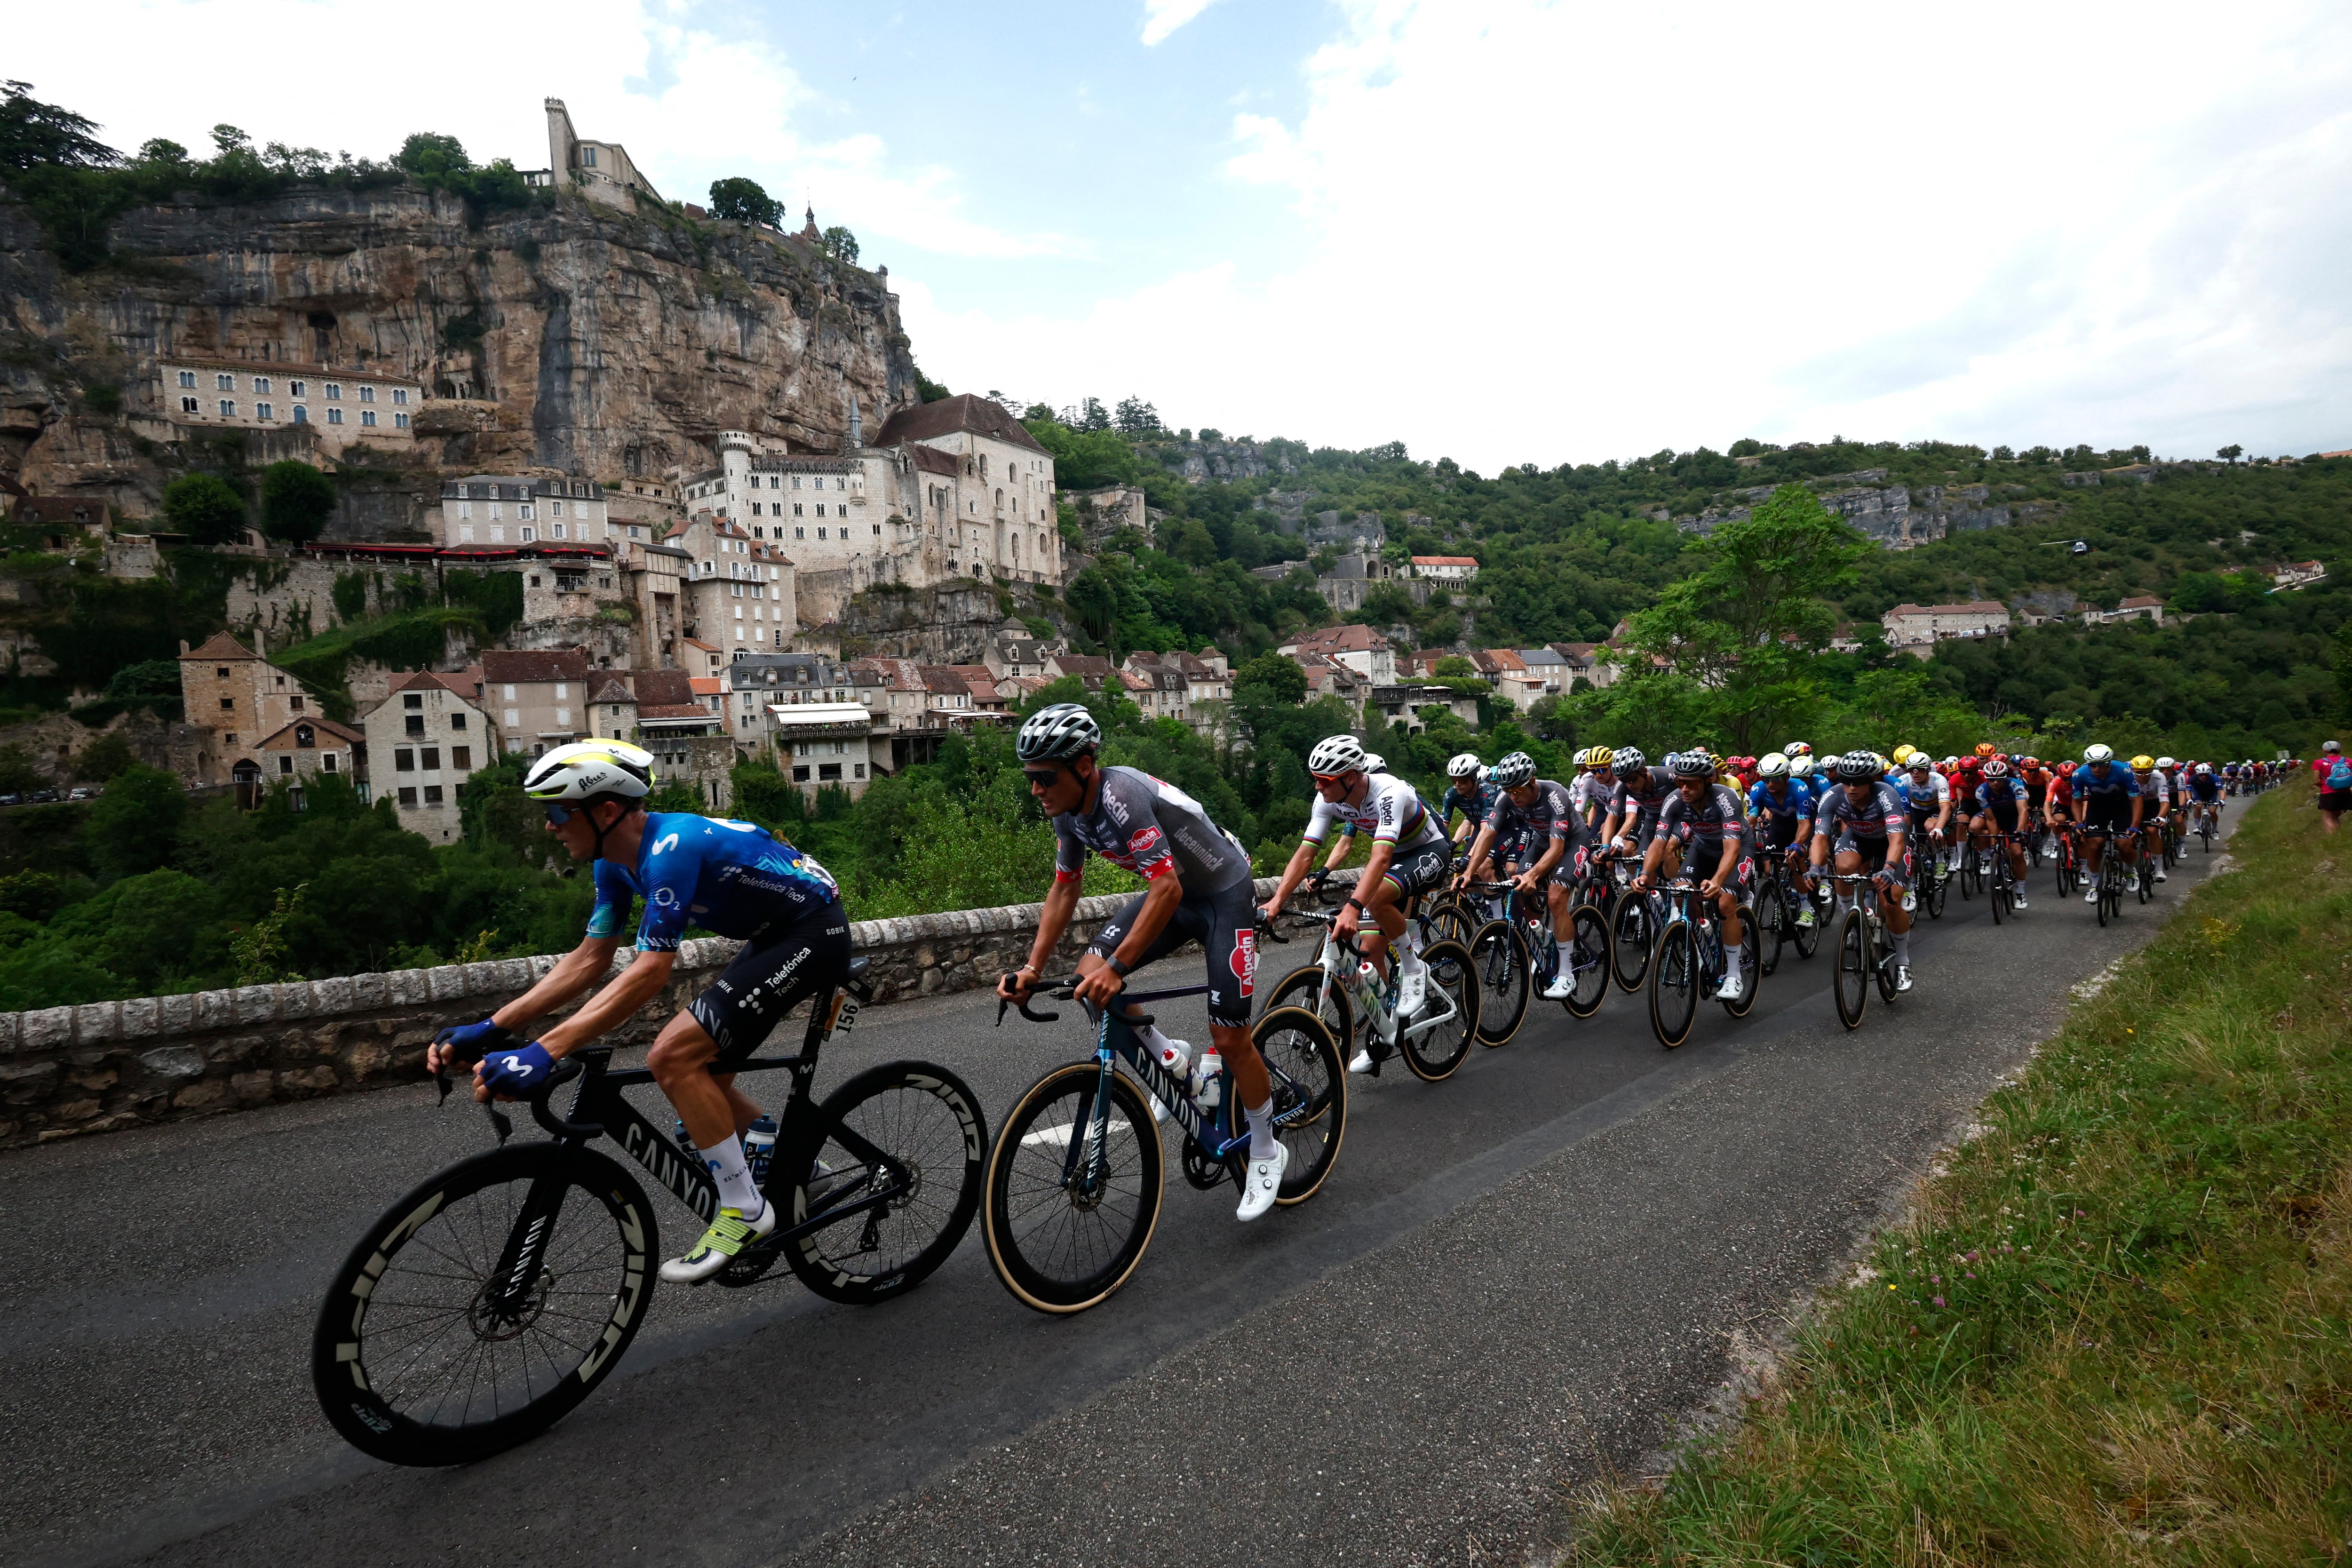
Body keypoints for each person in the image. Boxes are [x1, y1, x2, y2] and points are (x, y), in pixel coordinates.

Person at [425, 740, 850, 1285]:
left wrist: (543, 1050)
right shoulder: (613, 863)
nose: (550, 827)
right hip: (773, 935)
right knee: (703, 1084)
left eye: (558, 812)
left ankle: (745, 1210)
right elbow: (589, 959)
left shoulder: (671, 849)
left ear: (607, 812)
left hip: (814, 932)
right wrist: (495, 1027)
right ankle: (799, 1168)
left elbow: (651, 971)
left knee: (672, 1057)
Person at [999, 703, 1287, 1221]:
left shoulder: (1122, 797)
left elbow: (1167, 885)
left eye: (1044, 777)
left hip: (1222, 895)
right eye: (1029, 779)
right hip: (1173, 897)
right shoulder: (1067, 812)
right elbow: (1065, 888)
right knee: (1089, 978)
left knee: (1229, 1036)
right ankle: (1172, 1058)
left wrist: (1120, 966)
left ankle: (1265, 1147)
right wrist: (1032, 969)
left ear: (1083, 766)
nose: (1035, 790)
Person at [1264, 734, 1454, 1073]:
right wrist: (1276, 901)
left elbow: (1380, 858)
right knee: (1369, 950)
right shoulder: (1328, 799)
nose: (1318, 786)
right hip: (1396, 858)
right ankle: (1386, 1029)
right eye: (1315, 779)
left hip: (1428, 850)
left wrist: (1352, 907)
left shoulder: (1388, 791)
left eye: (1324, 780)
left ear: (1351, 777)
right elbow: (1306, 853)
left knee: (1375, 898)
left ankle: (1414, 968)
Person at [1454, 751, 1584, 1001]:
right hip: (1541, 841)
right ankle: (1544, 939)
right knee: (1517, 887)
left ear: (1532, 783)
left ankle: (1566, 974)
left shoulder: (1554, 795)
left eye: (1518, 791)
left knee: (1556, 899)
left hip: (1572, 843)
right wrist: (1469, 873)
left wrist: (1533, 875)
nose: (1513, 797)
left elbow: (1558, 849)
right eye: (1509, 791)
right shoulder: (1506, 798)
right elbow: (1487, 835)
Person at [1639, 753, 1752, 1000]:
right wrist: (1646, 874)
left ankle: (1733, 975)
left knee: (1724, 903)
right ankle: (1704, 931)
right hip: (1702, 847)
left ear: (1706, 782)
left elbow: (1731, 849)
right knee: (1681, 896)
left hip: (1738, 847)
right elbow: (1659, 842)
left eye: (1692, 783)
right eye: (1681, 782)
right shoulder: (1674, 800)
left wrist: (1718, 881)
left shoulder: (1725, 797)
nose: (1685, 788)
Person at [1808, 749, 1915, 991]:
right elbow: (1820, 837)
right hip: (1859, 838)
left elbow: (1897, 840)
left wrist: (1889, 868)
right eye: (1846, 781)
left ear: (1872, 781)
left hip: (1891, 842)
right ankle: (1853, 920)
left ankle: (1902, 961)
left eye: (1858, 783)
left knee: (1890, 903)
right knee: (1844, 867)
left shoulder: (1887, 794)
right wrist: (1815, 867)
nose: (1852, 788)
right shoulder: (1832, 796)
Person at [1747, 752, 1819, 924]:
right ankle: (1785, 893)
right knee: (1768, 869)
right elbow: (1749, 823)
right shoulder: (1758, 789)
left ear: (1787, 777)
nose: (1771, 784)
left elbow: (1804, 825)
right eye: (1767, 779)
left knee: (1795, 859)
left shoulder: (1799, 788)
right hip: (1780, 824)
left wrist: (1796, 844)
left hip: (1803, 824)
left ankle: (1807, 909)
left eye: (1777, 779)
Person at [2071, 743, 2143, 900]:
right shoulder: (2079, 775)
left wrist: (2135, 826)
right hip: (2097, 808)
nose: (2097, 768)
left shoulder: (2124, 772)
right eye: (2093, 765)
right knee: (2095, 844)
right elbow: (2076, 801)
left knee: (2124, 843)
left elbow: (2136, 799)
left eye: (2102, 765)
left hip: (2122, 807)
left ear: (2109, 763)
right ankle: (2095, 886)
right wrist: (2079, 822)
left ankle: (2130, 871)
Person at [1970, 758, 2032, 907]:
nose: (1995, 783)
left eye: (1999, 779)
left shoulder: (2015, 785)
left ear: (2005, 777)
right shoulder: (1981, 791)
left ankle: (2020, 892)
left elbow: (2023, 810)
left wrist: (2020, 830)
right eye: (1991, 779)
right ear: (1987, 778)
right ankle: (1987, 858)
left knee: (2016, 852)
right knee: (1974, 828)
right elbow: (1991, 820)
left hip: (2013, 817)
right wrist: (1993, 844)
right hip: (1995, 816)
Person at [1899, 752, 1954, 882]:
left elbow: (1946, 807)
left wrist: (1939, 829)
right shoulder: (1903, 781)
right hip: (1916, 810)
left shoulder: (1938, 780)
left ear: (1928, 769)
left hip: (1935, 809)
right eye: (1912, 770)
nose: (1915, 773)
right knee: (1909, 836)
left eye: (1920, 769)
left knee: (1931, 827)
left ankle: (1941, 862)